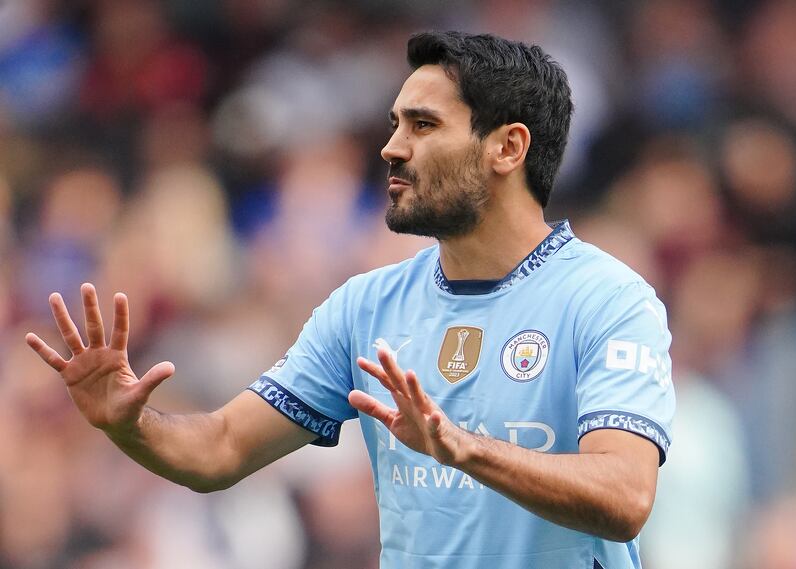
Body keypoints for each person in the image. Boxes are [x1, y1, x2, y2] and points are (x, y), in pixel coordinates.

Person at [26, 31, 675, 569]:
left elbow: (625, 492)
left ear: (507, 146)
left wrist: (466, 447)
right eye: (396, 124)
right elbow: (219, 447)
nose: (392, 147)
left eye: (423, 125)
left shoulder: (607, 300)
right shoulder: (366, 306)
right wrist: (129, 424)